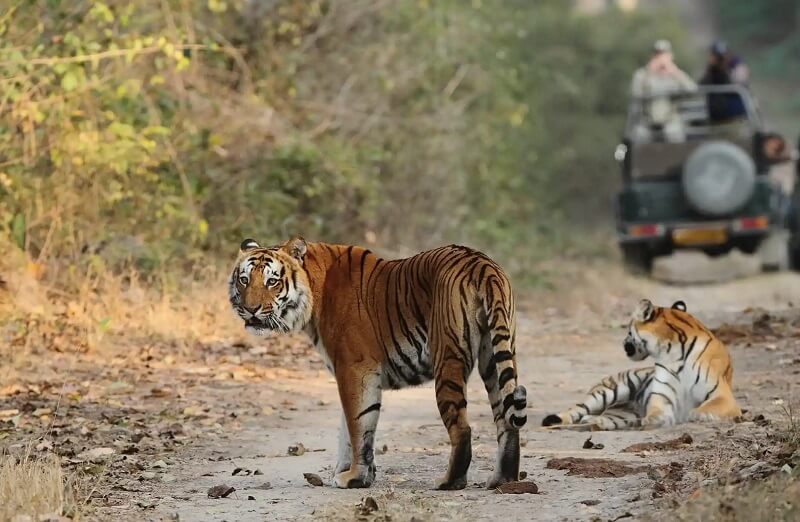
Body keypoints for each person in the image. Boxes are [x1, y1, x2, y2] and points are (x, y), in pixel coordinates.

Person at [630, 40, 697, 143]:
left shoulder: (676, 75)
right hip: (647, 123)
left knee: (675, 136)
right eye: (657, 54)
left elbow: (692, 90)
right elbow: (636, 94)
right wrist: (649, 72)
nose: (661, 58)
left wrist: (675, 72)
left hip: (670, 121)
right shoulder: (642, 74)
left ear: (670, 56)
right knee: (638, 137)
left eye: (664, 54)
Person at [700, 40, 749, 122]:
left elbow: (741, 79)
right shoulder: (713, 70)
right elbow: (702, 85)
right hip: (718, 109)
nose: (722, 59)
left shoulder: (735, 63)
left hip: (734, 107)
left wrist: (728, 70)